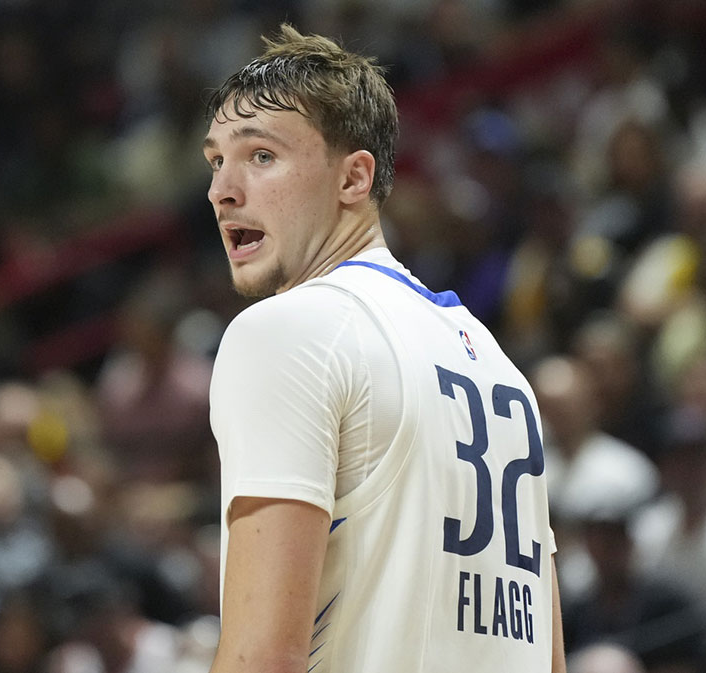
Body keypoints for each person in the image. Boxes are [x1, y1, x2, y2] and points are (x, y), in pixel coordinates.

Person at [202, 25, 565, 673]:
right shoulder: (499, 368)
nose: (222, 190)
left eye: (260, 155)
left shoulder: (287, 333)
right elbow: (548, 657)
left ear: (353, 177)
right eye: (215, 162)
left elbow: (263, 657)